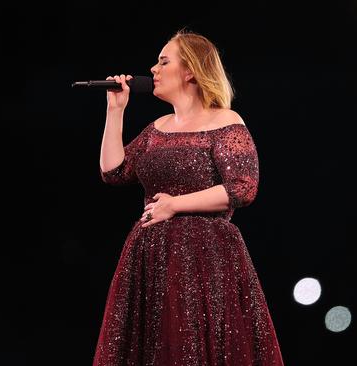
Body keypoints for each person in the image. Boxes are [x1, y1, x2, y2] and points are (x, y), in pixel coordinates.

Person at [94, 30, 284, 365]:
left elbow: (242, 187)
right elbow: (114, 172)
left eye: (163, 61)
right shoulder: (156, 128)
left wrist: (174, 204)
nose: (153, 69)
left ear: (190, 71)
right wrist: (116, 110)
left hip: (205, 258)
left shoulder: (225, 121)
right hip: (151, 257)